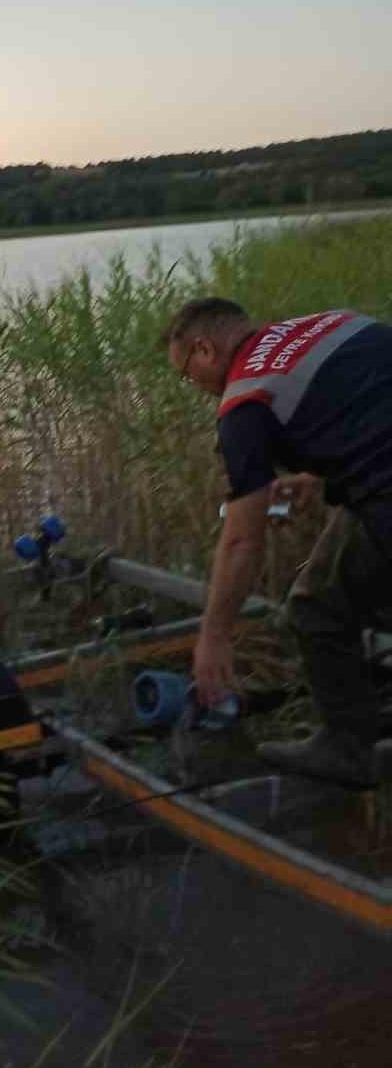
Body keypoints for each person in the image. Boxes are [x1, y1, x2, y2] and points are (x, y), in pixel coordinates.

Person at [162, 297, 392, 787]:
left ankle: (348, 748)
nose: (195, 386)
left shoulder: (243, 401)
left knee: (315, 606)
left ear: (205, 349)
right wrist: (322, 478)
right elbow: (370, 407)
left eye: (186, 373)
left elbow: (243, 540)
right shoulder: (331, 322)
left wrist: (214, 637)